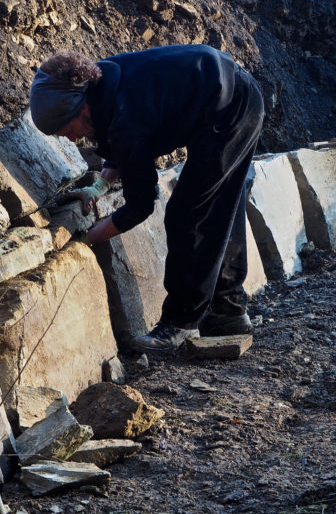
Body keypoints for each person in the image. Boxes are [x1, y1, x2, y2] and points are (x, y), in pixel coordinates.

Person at [29, 44, 264, 355]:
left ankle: (179, 324)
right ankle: (228, 314)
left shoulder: (126, 114)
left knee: (188, 214)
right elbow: (119, 145)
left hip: (230, 109)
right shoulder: (102, 83)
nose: (71, 139)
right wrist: (98, 188)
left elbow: (140, 206)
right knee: (220, 208)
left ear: (81, 107)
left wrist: (88, 237)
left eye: (67, 129)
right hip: (233, 92)